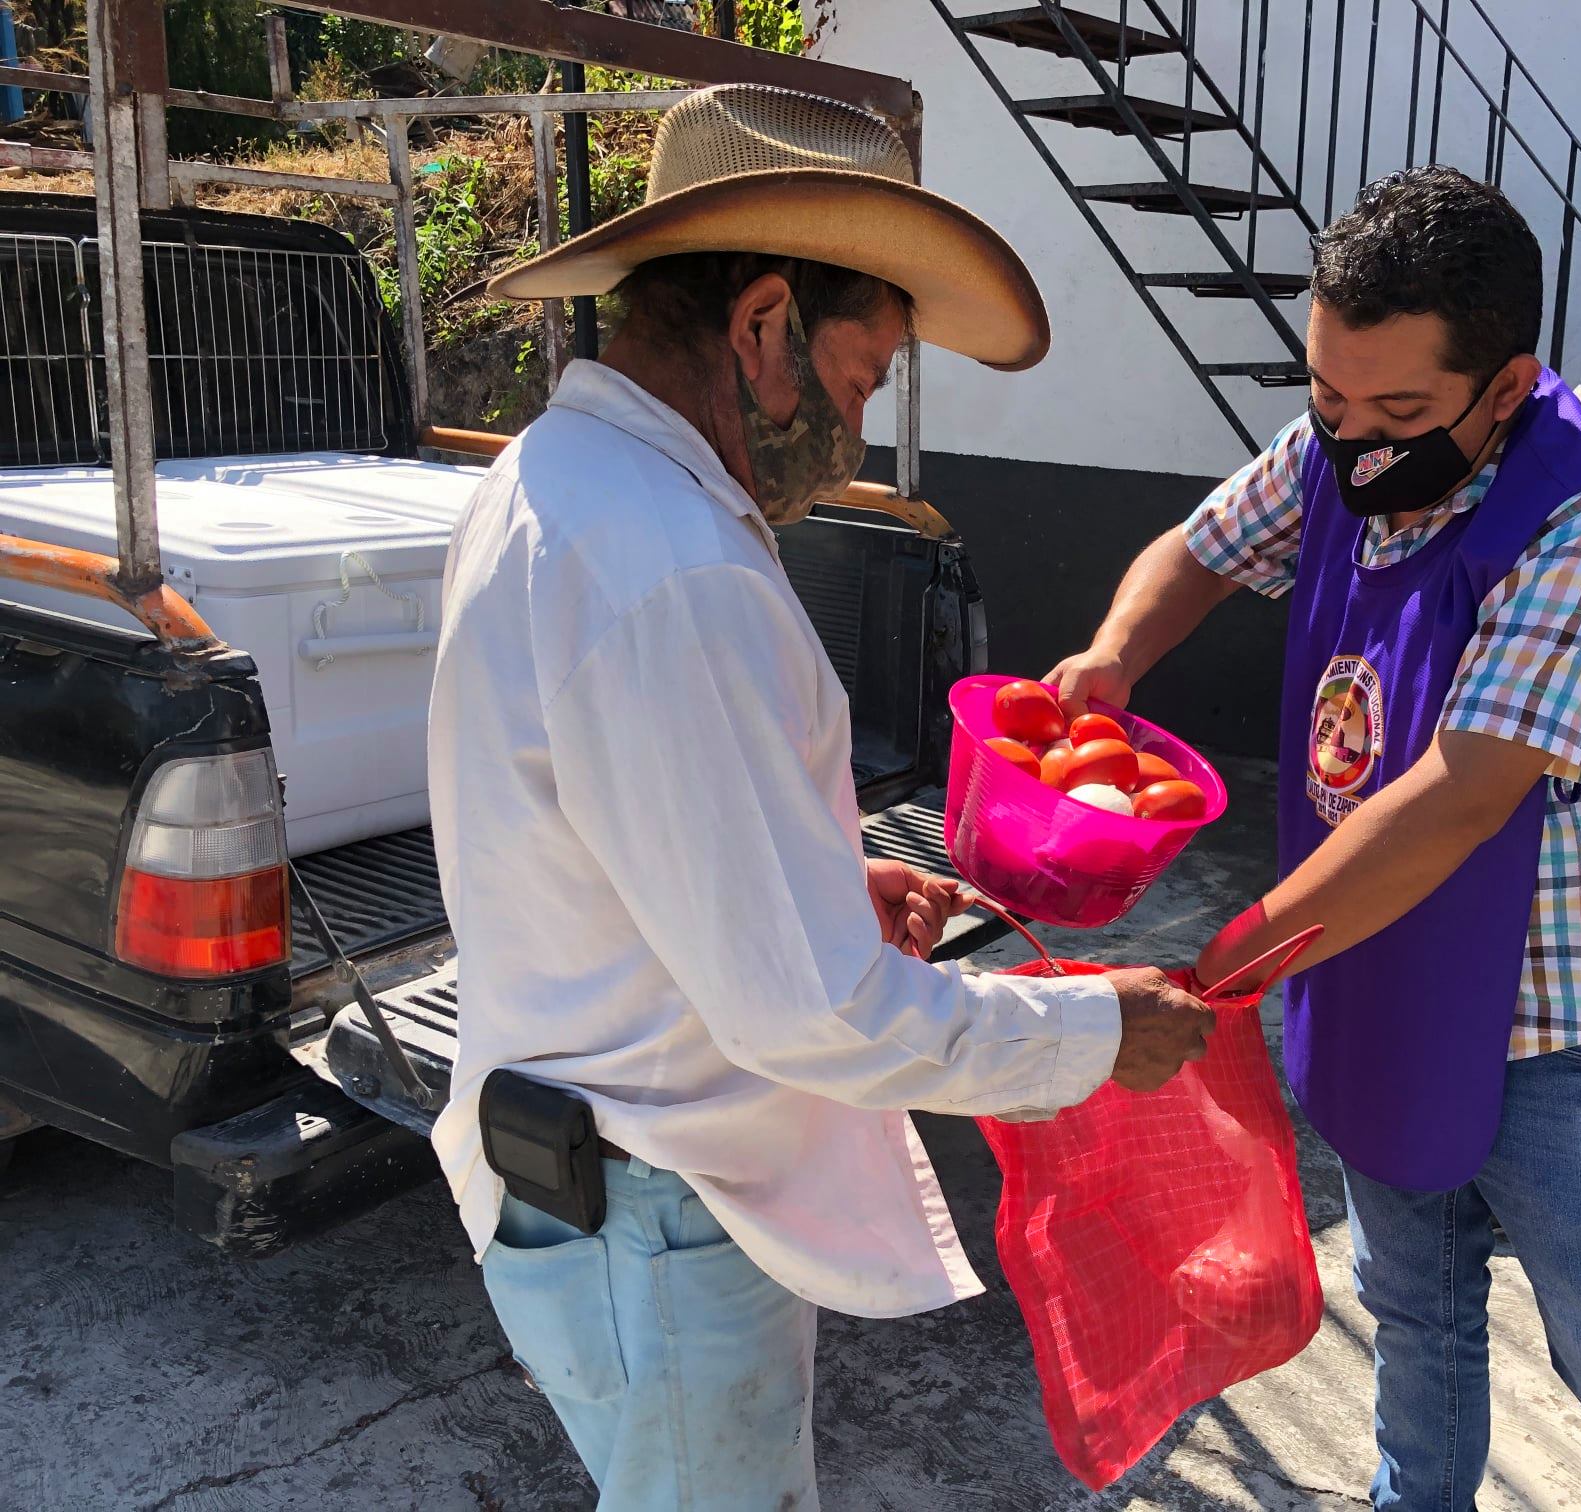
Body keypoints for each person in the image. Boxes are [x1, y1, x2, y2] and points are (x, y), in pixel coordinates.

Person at [427, 85, 1216, 1509]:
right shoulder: (678, 567)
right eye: (861, 377)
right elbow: (808, 1014)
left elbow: (604, 827)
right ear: (764, 326)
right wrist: (1096, 1031)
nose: (857, 427)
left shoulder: (563, 477)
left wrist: (808, 875)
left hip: (599, 1182)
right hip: (661, 1208)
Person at [1051, 165, 1581, 1511]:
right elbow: (1197, 547)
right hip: (1376, 971)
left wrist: (1241, 950)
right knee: (1415, 1322)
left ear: (1507, 383)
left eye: (1402, 411)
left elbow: (1464, 791)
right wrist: (1112, 659)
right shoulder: (1337, 446)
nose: (1355, 438)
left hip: (1565, 1027)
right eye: (1329, 397)